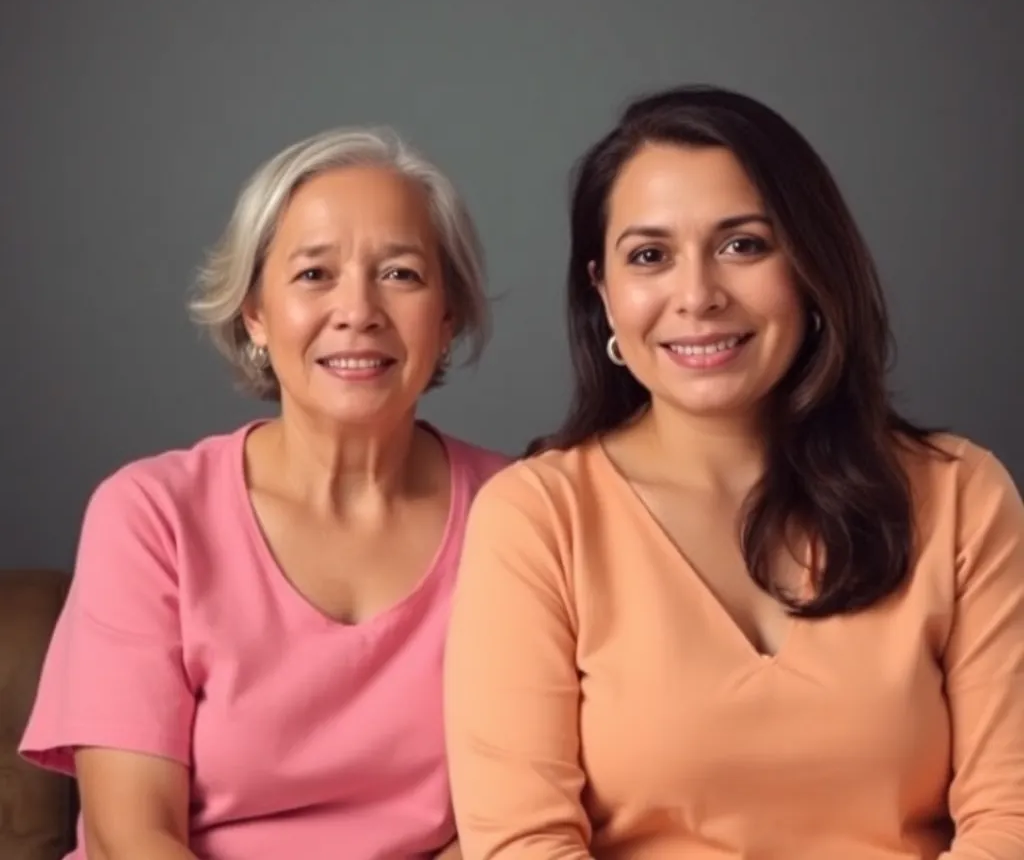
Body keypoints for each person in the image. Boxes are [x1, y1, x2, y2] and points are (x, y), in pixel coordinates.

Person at [443, 85, 1024, 859]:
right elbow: (522, 844)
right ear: (603, 292)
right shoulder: (536, 518)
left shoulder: (961, 492)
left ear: (812, 264)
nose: (698, 296)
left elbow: (1010, 819)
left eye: (743, 245)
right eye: (650, 256)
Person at [20, 127, 507, 859]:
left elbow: (517, 819)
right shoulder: (152, 515)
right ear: (254, 313)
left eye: (401, 274)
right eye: (314, 275)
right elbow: (134, 837)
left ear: (448, 318)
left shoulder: (520, 512)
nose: (358, 311)